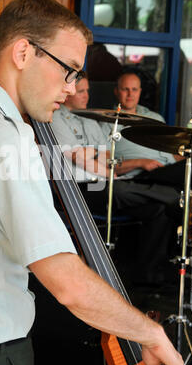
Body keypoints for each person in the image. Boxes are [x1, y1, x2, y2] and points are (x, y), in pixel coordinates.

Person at [0, 0, 186, 365]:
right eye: (69, 70)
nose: (72, 89)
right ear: (22, 51)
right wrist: (150, 333)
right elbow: (66, 282)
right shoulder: (7, 140)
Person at [52, 74, 180, 287]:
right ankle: (173, 197)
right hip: (79, 188)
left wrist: (95, 158)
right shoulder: (56, 117)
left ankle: (145, 274)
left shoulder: (90, 118)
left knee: (157, 209)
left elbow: (104, 155)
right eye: (81, 91)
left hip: (102, 181)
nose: (86, 95)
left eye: (87, 90)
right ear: (68, 93)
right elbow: (76, 157)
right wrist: (104, 167)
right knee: (120, 190)